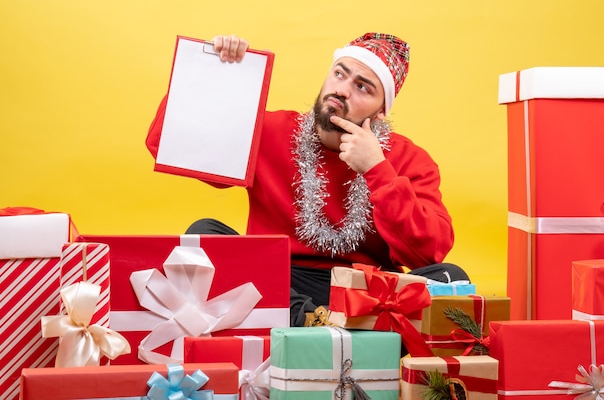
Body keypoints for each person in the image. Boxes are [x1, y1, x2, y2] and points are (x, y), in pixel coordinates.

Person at [146, 32, 469, 327]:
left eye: (362, 87)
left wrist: (376, 169)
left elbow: (428, 254)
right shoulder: (270, 131)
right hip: (277, 282)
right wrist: (213, 71)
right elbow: (167, 144)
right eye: (339, 73)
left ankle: (330, 332)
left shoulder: (408, 159)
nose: (341, 89)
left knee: (450, 279)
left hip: (366, 291)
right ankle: (317, 326)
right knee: (205, 235)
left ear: (381, 110)